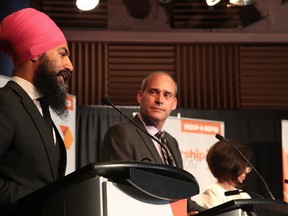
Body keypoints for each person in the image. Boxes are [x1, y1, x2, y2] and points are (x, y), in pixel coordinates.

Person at [101, 71, 205, 215]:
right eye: (154, 92)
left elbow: (183, 199)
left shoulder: (171, 142)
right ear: (140, 96)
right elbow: (123, 194)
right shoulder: (121, 133)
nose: (160, 100)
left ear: (174, 103)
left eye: (167, 95)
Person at [0, 7, 73, 212]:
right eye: (62, 54)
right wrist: (40, 198)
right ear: (34, 53)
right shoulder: (5, 103)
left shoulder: (41, 108)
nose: (70, 65)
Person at [199, 139, 253, 208]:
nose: (246, 171)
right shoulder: (212, 192)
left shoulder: (244, 195)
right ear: (229, 166)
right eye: (242, 166)